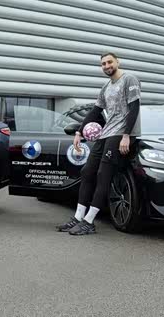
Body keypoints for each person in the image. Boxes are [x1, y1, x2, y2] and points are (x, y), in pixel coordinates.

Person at [56, 52, 141, 236]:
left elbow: (135, 108)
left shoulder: (129, 79)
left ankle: (89, 222)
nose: (107, 66)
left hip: (120, 134)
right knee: (87, 171)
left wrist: (126, 135)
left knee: (103, 175)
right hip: (107, 132)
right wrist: (79, 131)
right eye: (103, 64)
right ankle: (78, 217)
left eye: (110, 62)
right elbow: (95, 111)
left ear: (118, 62)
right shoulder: (106, 87)